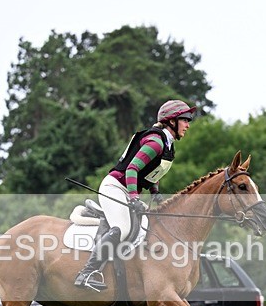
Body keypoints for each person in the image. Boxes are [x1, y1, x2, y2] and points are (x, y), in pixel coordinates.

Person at [74, 99, 197, 291]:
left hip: (127, 190)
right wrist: (134, 198)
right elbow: (132, 169)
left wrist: (155, 192)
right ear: (172, 121)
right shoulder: (156, 143)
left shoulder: (167, 145)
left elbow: (151, 172)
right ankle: (87, 273)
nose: (188, 124)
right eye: (185, 119)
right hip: (115, 187)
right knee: (122, 228)